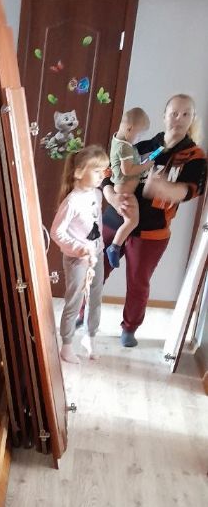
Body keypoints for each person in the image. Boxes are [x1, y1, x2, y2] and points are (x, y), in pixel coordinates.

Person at [100, 94, 207, 348]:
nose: (179, 118)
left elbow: (192, 190)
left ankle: (129, 328)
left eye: (185, 114)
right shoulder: (142, 145)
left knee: (138, 283)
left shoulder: (195, 156)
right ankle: (82, 313)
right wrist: (111, 196)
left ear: (193, 118)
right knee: (95, 271)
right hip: (114, 219)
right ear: (164, 115)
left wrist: (165, 189)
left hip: (151, 232)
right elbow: (108, 174)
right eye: (174, 113)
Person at [50, 145, 109, 364]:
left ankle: (90, 337)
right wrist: (79, 248)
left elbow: (95, 225)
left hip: (97, 255)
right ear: (79, 172)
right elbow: (56, 232)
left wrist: (96, 248)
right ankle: (66, 345)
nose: (102, 175)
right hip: (77, 259)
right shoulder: (72, 201)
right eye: (97, 171)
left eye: (104, 170)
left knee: (95, 297)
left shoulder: (97, 194)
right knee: (74, 300)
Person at [106, 107, 157, 269]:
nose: (139, 139)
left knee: (130, 220)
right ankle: (114, 247)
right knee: (132, 221)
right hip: (126, 192)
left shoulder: (119, 141)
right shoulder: (125, 147)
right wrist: (146, 165)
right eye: (139, 135)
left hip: (122, 189)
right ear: (129, 129)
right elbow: (128, 170)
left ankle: (114, 246)